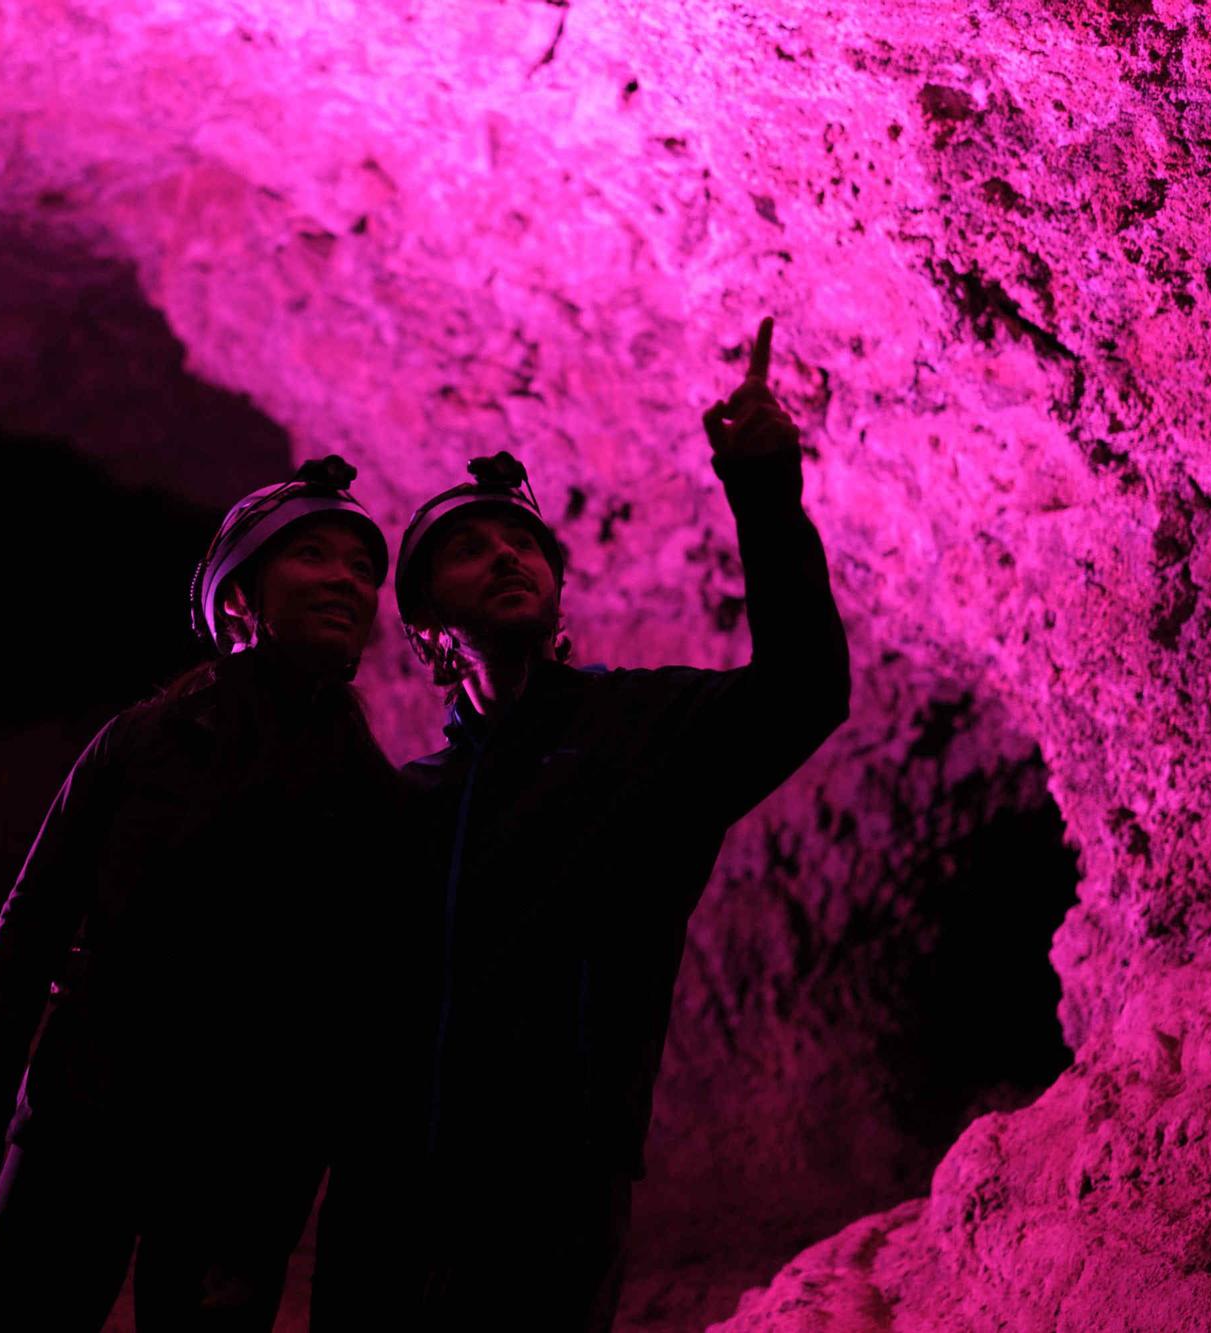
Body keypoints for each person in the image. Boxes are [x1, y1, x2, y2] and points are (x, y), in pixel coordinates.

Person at [388, 318, 850, 1330]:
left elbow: (803, 691)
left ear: (555, 589)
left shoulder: (644, 729)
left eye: (520, 543)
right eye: (466, 550)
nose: (504, 556)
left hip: (564, 1168)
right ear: (425, 624)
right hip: (403, 1170)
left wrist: (764, 490)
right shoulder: (416, 798)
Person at [0, 455, 401, 1331]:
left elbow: (359, 1010)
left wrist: (288, 1196)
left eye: (364, 566)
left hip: (238, 1172)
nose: (347, 578)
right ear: (239, 597)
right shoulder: (142, 745)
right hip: (80, 1130)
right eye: (312, 554)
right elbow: (33, 923)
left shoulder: (371, 795)